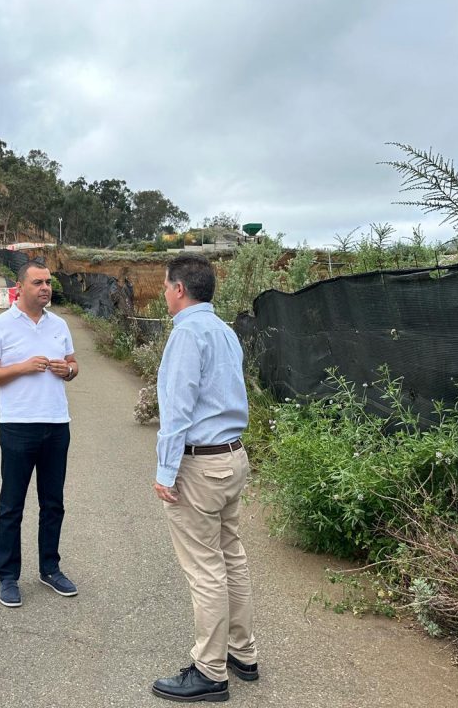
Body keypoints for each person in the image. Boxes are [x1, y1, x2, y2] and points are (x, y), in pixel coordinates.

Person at [150, 254, 258, 703]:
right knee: (231, 554)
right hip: (233, 456)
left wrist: (165, 470)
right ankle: (242, 653)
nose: (163, 293)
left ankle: (210, 671)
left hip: (201, 464)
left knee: (204, 567)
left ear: (179, 289)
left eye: (166, 286)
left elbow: (178, 408)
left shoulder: (187, 334)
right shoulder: (224, 331)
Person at [0, 259, 79, 608]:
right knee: (11, 505)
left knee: (53, 503)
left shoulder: (60, 324)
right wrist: (22, 366)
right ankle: (7, 577)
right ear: (19, 287)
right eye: (37, 282)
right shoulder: (0, 326)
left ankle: (50, 568)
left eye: (48, 282)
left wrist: (68, 370)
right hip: (18, 426)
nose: (46, 287)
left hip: (56, 424)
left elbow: (74, 364)